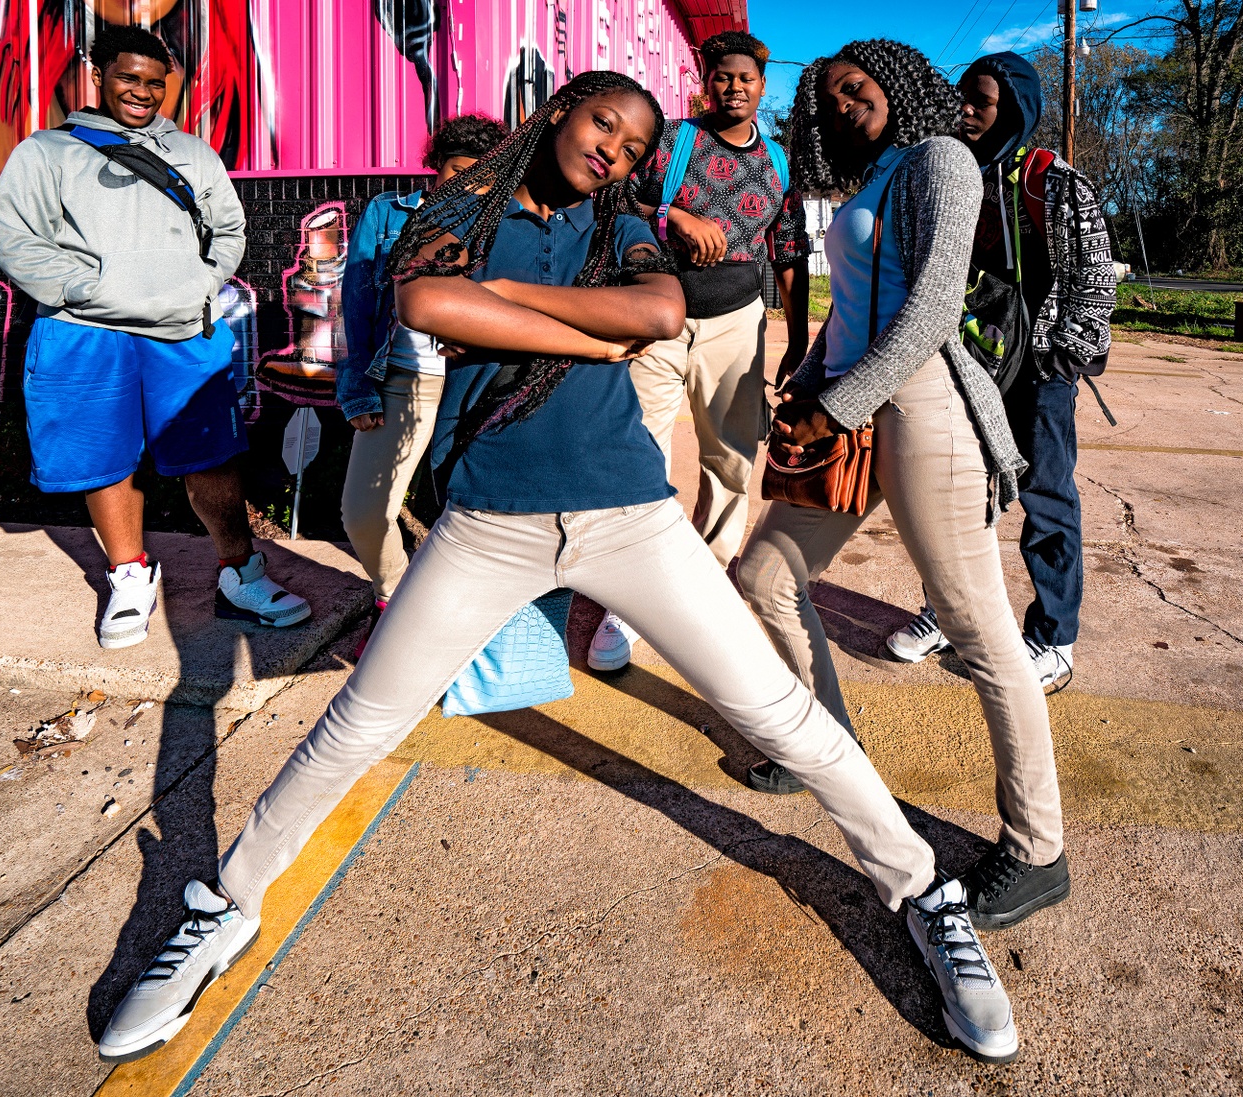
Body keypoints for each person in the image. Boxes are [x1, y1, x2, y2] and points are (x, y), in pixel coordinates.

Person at [98, 71, 1019, 1067]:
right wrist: (583, 326)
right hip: (490, 522)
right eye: (601, 124)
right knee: (357, 723)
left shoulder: (620, 226)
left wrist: (509, 301)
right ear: (556, 112)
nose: (612, 151)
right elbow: (431, 300)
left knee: (781, 716)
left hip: (632, 516)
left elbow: (663, 314)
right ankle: (223, 908)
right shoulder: (458, 208)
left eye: (631, 147)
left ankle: (927, 894)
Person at [737, 41, 1071, 935]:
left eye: (857, 86)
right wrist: (806, 382)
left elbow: (928, 311)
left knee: (976, 626)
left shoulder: (941, 161)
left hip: (923, 406)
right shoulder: (870, 180)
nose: (844, 103)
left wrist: (837, 404)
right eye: (829, 98)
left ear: (898, 80)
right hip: (850, 408)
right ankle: (825, 748)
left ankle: (1039, 848)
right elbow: (852, 309)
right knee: (765, 577)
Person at [0, 23, 309, 649]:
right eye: (128, 78)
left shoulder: (191, 154)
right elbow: (19, 242)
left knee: (209, 453)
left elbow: (229, 230)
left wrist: (197, 286)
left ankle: (239, 573)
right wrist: (90, 290)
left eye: (154, 84)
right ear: (98, 76)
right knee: (104, 458)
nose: (142, 92)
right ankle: (129, 578)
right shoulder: (45, 153)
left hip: (181, 329)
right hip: (84, 330)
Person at [885, 52, 1116, 691]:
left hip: (1039, 369)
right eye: (961, 97)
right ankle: (950, 614)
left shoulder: (1052, 179)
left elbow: (1093, 277)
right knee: (957, 492)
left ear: (1012, 108)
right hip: (968, 361)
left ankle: (1053, 639)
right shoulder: (948, 174)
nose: (966, 111)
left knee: (1046, 499)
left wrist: (1066, 353)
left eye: (980, 102)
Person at [585, 30, 811, 673]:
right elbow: (616, 200)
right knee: (638, 449)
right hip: (656, 319)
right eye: (721, 77)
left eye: (745, 78)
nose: (733, 87)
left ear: (763, 86)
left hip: (738, 322)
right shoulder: (673, 142)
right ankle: (630, 598)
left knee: (731, 456)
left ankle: (708, 577)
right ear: (704, 82)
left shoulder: (777, 163)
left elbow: (789, 252)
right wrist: (672, 218)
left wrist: (795, 338)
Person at [337, 113, 508, 657]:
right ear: (436, 166)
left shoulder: (510, 221)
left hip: (475, 382)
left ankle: (467, 623)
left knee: (475, 512)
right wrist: (356, 387)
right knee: (363, 512)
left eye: (481, 176)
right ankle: (394, 599)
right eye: (458, 171)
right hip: (400, 378)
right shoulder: (390, 213)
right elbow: (358, 300)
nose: (468, 186)